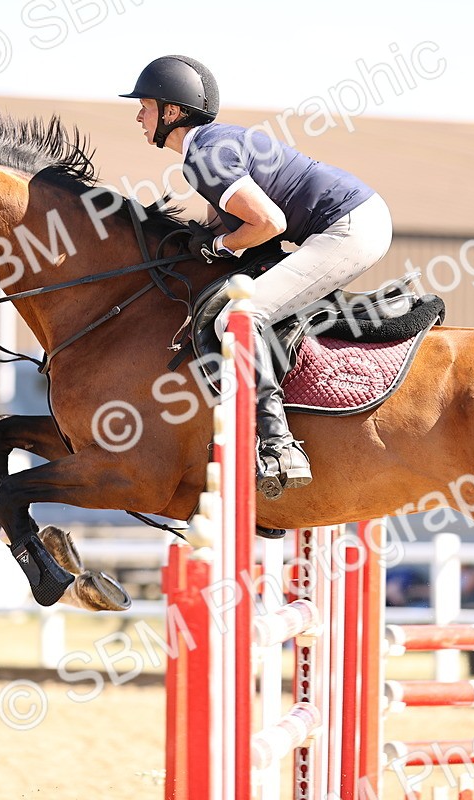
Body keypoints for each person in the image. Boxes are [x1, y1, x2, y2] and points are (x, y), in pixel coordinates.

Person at [121, 55, 394, 500]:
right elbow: (229, 218)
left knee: (238, 317)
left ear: (172, 112)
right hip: (354, 217)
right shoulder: (213, 144)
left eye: (145, 106)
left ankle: (279, 444)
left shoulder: (203, 158)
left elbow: (268, 223)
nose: (138, 116)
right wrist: (208, 238)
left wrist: (221, 246)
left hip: (347, 228)